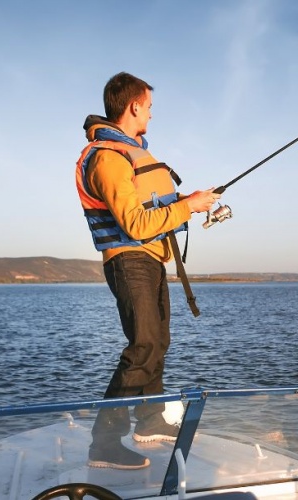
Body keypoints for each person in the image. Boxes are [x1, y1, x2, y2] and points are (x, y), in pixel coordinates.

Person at [75, 72, 219, 470]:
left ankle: (150, 420)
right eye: (150, 107)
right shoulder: (107, 157)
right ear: (134, 105)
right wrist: (188, 207)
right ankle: (104, 443)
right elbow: (135, 224)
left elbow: (150, 211)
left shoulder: (129, 152)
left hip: (151, 259)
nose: (152, 115)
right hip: (128, 259)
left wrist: (188, 200)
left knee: (157, 341)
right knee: (142, 344)